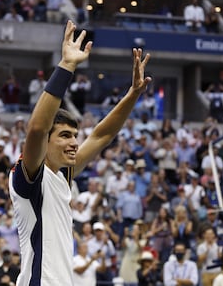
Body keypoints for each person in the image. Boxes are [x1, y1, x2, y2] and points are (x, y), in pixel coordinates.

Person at [8, 20, 151, 285]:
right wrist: (67, 66)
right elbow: (38, 127)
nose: (74, 142)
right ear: (46, 143)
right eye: (64, 135)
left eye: (75, 135)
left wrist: (132, 95)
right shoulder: (27, 177)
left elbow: (101, 135)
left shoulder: (63, 175)